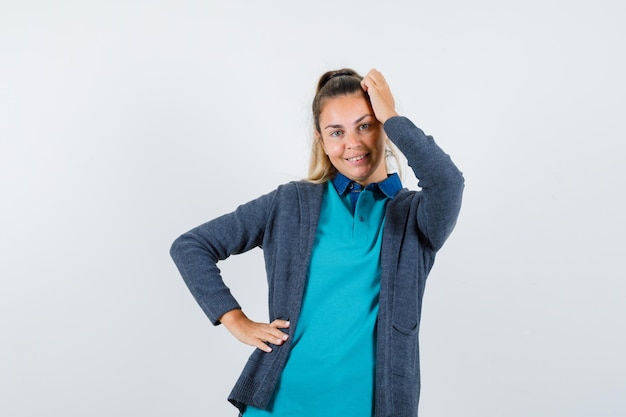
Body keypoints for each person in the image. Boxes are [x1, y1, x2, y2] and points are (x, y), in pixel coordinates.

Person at [170, 68, 464, 416]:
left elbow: (447, 182)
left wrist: (392, 116)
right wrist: (235, 320)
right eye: (336, 132)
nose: (352, 143)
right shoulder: (291, 203)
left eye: (365, 125)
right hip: (280, 405)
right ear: (320, 139)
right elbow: (191, 246)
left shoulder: (416, 216)